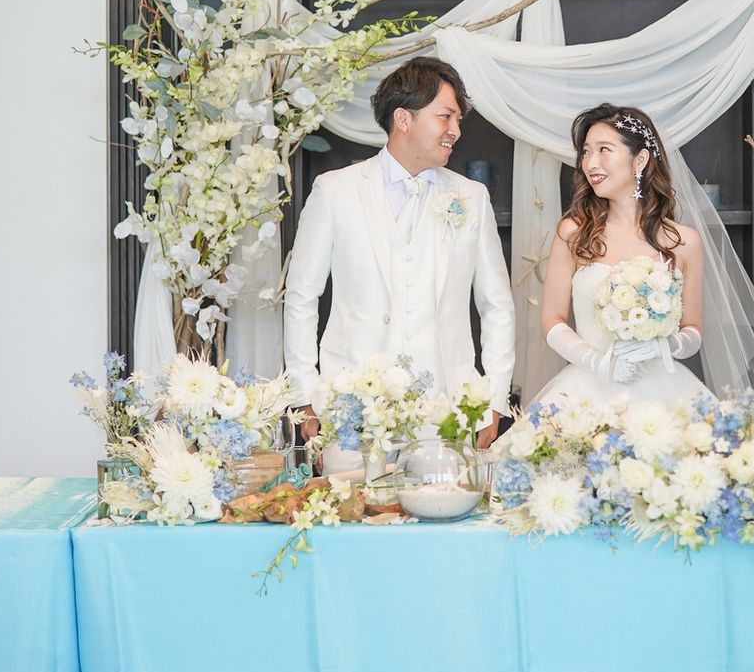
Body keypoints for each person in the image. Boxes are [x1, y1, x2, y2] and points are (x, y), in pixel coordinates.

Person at [283, 57, 515, 448]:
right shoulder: (334, 191)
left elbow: (497, 306)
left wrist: (494, 398)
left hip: (449, 410)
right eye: (445, 117)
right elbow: (301, 297)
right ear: (404, 119)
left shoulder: (472, 197)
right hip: (351, 405)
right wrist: (305, 394)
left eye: (458, 120)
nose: (456, 131)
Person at [530, 103, 709, 409]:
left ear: (640, 160)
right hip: (587, 389)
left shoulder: (684, 242)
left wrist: (666, 346)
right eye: (586, 152)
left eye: (604, 150)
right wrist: (598, 362)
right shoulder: (574, 233)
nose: (591, 163)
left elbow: (693, 329)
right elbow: (551, 320)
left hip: (663, 392)